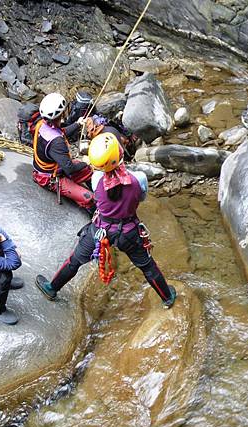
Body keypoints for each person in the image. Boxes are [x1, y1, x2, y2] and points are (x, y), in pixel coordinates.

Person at [35, 132, 177, 309]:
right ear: (119, 154)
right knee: (147, 266)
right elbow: (140, 198)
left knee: (75, 260)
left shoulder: (96, 179)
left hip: (100, 230)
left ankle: (52, 288)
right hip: (128, 231)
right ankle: (167, 297)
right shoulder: (139, 178)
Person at [32, 92, 95, 212]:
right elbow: (69, 169)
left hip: (50, 167)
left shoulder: (42, 124)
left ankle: (100, 194)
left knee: (87, 170)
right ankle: (97, 218)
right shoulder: (57, 143)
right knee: (88, 198)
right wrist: (87, 162)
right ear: (62, 114)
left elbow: (60, 131)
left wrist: (77, 124)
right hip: (50, 177)